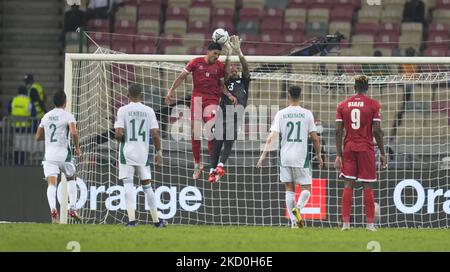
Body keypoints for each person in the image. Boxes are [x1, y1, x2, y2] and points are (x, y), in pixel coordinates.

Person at [165, 42, 236, 180]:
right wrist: (171, 90)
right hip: (197, 100)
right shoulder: (195, 62)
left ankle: (213, 167)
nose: (216, 56)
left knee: (211, 131)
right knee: (195, 133)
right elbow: (181, 77)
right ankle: (198, 164)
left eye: (219, 54)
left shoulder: (220, 66)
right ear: (208, 51)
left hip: (212, 101)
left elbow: (222, 84)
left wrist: (229, 95)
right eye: (215, 53)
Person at [257, 86, 323, 228]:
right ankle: (298, 209)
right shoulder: (307, 114)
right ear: (301, 95)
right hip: (301, 157)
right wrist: (318, 154)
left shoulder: (281, 114)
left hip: (285, 157)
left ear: (288, 96)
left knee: (289, 188)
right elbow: (315, 138)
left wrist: (263, 154)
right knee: (306, 189)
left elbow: (272, 137)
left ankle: (294, 222)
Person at [335, 75, 387, 231]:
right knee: (367, 184)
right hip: (366, 148)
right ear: (367, 87)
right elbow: (377, 131)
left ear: (354, 87)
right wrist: (383, 152)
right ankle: (370, 225)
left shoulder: (343, 105)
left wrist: (339, 154)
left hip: (349, 147)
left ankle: (345, 224)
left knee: (348, 183)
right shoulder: (374, 105)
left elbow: (337, 131)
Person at [114, 84, 166, 228]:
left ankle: (131, 221)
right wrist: (159, 152)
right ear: (141, 95)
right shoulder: (148, 111)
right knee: (147, 186)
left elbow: (118, 133)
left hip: (127, 154)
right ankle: (157, 221)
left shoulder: (123, 110)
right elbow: (155, 134)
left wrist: (120, 138)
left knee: (128, 185)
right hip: (143, 154)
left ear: (127, 94)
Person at [35, 91, 82, 223]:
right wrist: (77, 148)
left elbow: (37, 137)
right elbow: (73, 132)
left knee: (52, 184)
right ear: (65, 102)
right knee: (71, 177)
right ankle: (72, 208)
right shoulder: (68, 116)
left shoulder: (46, 116)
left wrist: (49, 137)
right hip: (64, 155)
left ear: (54, 102)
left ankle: (53, 209)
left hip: (49, 156)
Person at [208, 36, 250, 183]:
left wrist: (239, 51)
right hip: (222, 114)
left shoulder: (243, 82)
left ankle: (220, 166)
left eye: (235, 68)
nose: (234, 69)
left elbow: (245, 68)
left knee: (229, 139)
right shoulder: (225, 82)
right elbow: (225, 72)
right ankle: (212, 171)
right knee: (217, 143)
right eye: (231, 68)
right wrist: (229, 53)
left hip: (235, 115)